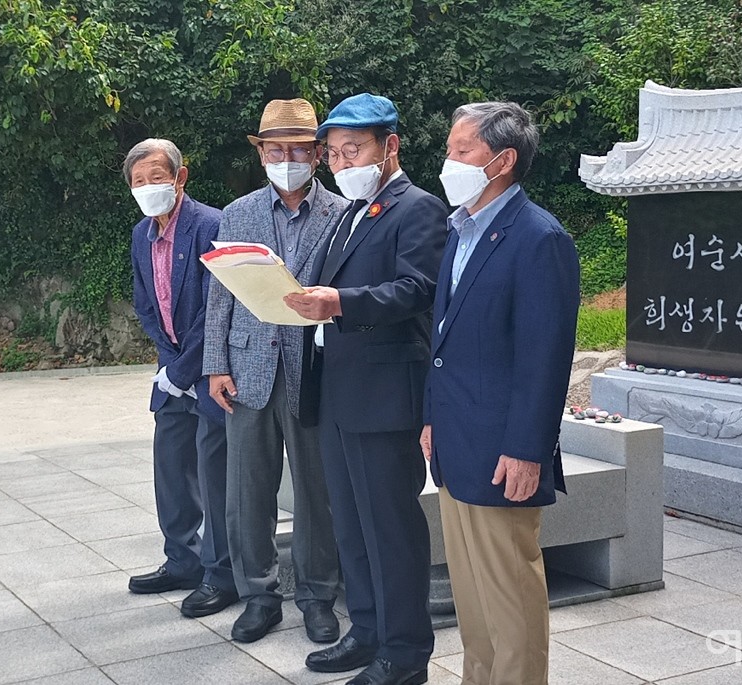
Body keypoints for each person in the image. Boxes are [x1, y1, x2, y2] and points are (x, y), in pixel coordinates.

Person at [284, 93, 447, 685]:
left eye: (353, 149)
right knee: (350, 525)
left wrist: (339, 302)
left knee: (390, 530)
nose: (341, 162)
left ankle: (404, 656)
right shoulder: (347, 214)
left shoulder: (418, 208)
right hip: (335, 391)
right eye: (332, 153)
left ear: (391, 147)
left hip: (383, 397)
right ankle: (369, 631)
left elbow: (419, 289)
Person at [420, 102, 580, 685]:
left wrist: (527, 449)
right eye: (450, 148)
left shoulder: (539, 239)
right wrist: (431, 415)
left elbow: (545, 358)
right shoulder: (460, 229)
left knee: (509, 596)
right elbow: (445, 341)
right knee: (472, 599)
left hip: (502, 450)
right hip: (456, 441)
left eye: (463, 150)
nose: (449, 161)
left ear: (503, 160)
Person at [203, 98, 347, 644]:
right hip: (247, 368)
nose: (286, 159)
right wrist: (215, 364)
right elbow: (221, 295)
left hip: (313, 370)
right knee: (247, 491)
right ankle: (259, 595)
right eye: (275, 149)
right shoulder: (236, 214)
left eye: (299, 150)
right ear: (261, 153)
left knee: (317, 491)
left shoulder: (341, 214)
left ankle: (316, 596)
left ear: (316, 155)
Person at [126, 138, 238, 619]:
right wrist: (168, 366)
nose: (150, 188)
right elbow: (146, 303)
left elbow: (217, 307)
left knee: (215, 474)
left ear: (180, 177)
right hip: (171, 369)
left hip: (211, 368)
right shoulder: (140, 234)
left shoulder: (210, 224)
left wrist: (185, 367)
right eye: (139, 181)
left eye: (157, 177)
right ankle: (182, 560)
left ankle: (221, 574)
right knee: (171, 468)